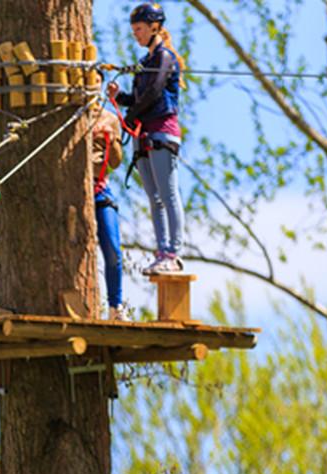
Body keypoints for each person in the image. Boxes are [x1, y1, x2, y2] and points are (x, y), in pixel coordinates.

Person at [107, 3, 187, 274]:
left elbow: (153, 94)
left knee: (167, 193)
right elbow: (138, 99)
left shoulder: (164, 58)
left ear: (154, 26)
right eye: (133, 31)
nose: (136, 35)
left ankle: (173, 252)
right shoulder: (145, 63)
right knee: (154, 197)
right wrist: (120, 97)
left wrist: (129, 118)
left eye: (139, 29)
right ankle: (162, 249)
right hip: (144, 135)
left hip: (161, 132)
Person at [91, 86, 127, 321]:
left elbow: (116, 162)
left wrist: (111, 139)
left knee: (113, 250)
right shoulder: (71, 117)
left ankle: (115, 306)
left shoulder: (109, 118)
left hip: (99, 187)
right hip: (72, 187)